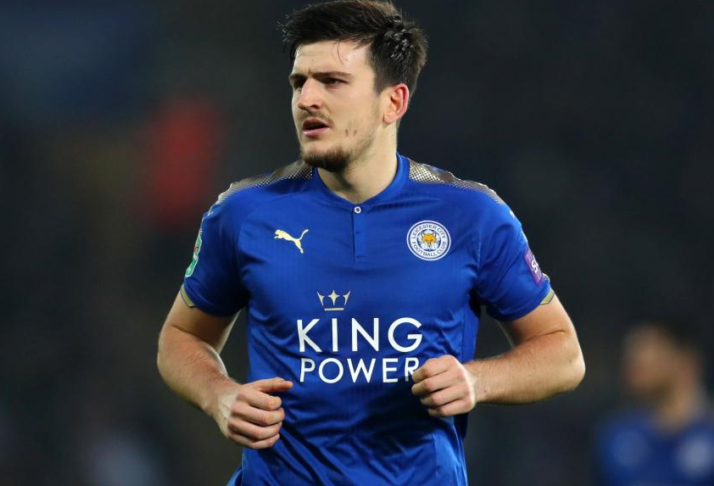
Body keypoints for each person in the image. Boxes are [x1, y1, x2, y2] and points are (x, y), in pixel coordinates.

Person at [156, 1, 585, 484]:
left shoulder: (471, 216)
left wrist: (477, 380)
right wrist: (219, 394)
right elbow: (181, 337)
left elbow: (562, 354)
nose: (306, 99)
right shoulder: (244, 214)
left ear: (393, 103)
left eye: (332, 81)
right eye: (299, 82)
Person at [596, 319, 714, 485]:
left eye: (646, 350)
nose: (634, 362)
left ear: (684, 359)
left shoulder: (708, 433)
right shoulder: (616, 436)